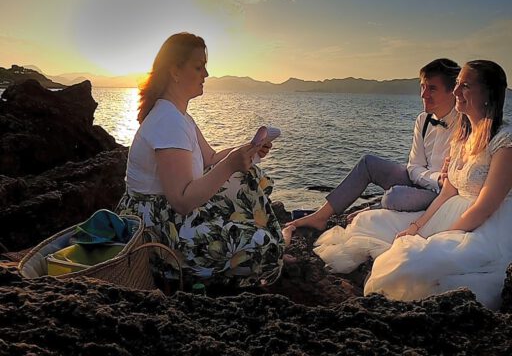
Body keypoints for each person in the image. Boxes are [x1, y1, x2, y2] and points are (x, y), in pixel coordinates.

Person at [314, 60, 512, 309]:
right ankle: (321, 216)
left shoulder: (504, 142)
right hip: (449, 210)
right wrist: (417, 226)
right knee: (372, 223)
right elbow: (447, 192)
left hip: (485, 225)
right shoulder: (462, 136)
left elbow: (485, 207)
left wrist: (445, 235)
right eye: (457, 84)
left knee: (412, 264)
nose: (456, 91)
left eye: (465, 86)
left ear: (488, 93)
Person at [116, 33, 287, 289]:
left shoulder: (180, 116)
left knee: (250, 175)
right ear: (175, 71)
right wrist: (230, 163)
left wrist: (248, 151)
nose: (205, 74)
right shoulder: (168, 121)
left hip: (169, 213)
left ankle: (268, 251)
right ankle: (193, 272)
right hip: (159, 229)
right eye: (198, 67)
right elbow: (183, 201)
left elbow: (210, 158)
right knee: (264, 245)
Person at [288, 58, 461, 231]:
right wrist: (435, 178)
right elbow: (414, 166)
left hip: (441, 194)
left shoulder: (466, 124)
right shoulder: (423, 120)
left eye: (432, 88)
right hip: (427, 181)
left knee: (395, 197)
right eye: (422, 86)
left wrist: (437, 182)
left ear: (452, 91)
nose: (423, 95)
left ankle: (373, 208)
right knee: (368, 163)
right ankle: (320, 216)